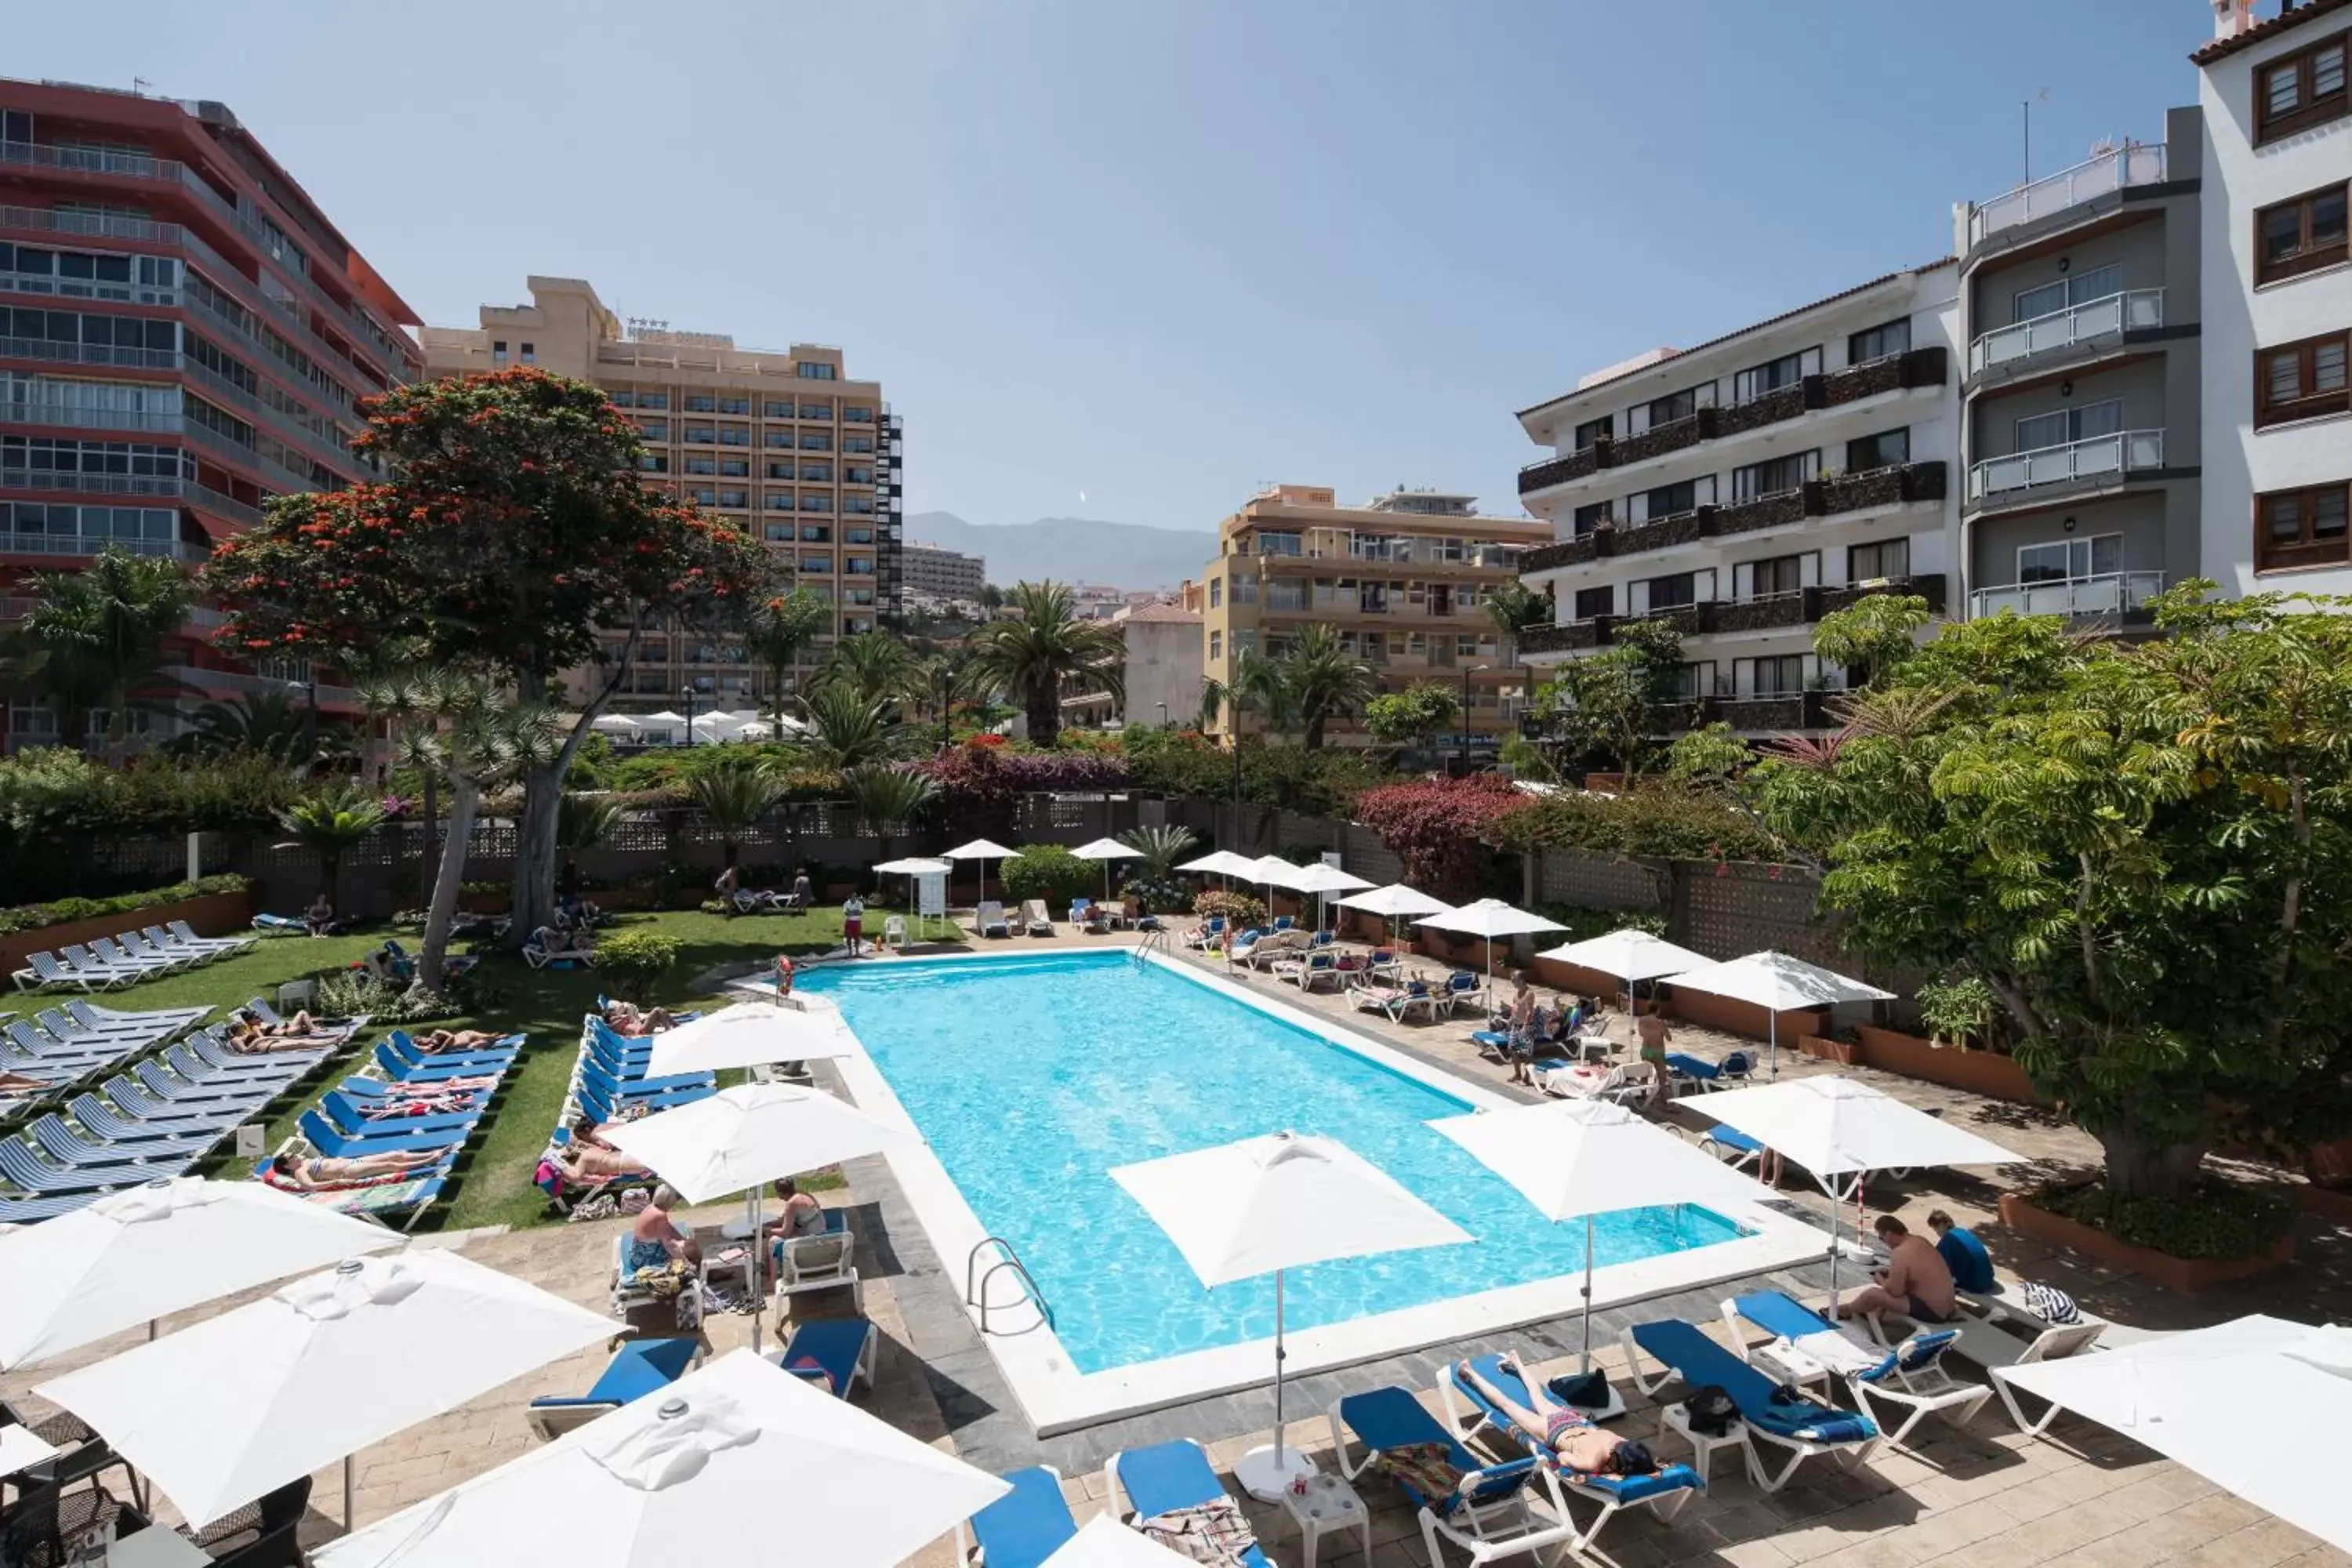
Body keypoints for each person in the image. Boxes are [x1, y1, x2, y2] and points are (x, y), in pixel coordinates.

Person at [1839, 1214, 1958, 1324]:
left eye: (1881, 1238)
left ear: (1889, 1235)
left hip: (1934, 1312)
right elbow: (1918, 1273)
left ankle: (1845, 1310)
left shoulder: (1900, 1252)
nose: (1883, 1242)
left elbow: (1895, 1292)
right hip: (1948, 1307)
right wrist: (1891, 1274)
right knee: (1893, 1285)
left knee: (1872, 1294)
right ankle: (1875, 1313)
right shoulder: (1920, 1240)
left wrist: (1880, 1280)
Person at [268, 1149, 442, 1189]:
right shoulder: (299, 1172)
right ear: (287, 1165)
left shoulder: (304, 1162)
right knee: (390, 1166)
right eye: (292, 1157)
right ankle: (429, 1160)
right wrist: (337, 1181)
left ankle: (431, 1153)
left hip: (353, 1161)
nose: (297, 1156)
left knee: (394, 1154)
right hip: (348, 1171)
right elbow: (310, 1187)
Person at [1926, 1208, 1996, 1295]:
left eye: (1936, 1229)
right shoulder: (1962, 1232)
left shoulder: (1948, 1238)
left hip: (1976, 1284)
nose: (1937, 1233)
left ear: (1942, 1224)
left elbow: (1939, 1260)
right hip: (1988, 1279)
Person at [626, 1184, 693, 1273]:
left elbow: (669, 1228)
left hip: (637, 1256)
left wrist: (682, 1239)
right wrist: (687, 1263)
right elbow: (669, 1245)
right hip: (648, 1260)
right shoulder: (660, 1215)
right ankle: (701, 1273)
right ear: (668, 1201)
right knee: (692, 1248)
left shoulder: (650, 1207)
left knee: (688, 1244)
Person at [1635, 1008, 1674, 1105]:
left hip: (1645, 1050)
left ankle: (1643, 1095)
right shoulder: (1660, 1022)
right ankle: (1665, 1101)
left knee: (1644, 1075)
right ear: (1657, 1011)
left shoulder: (1641, 1020)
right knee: (1662, 1077)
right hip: (1657, 1052)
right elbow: (1669, 1038)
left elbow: (1641, 1034)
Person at [413, 1028, 503, 1054]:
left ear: (423, 1037)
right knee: (477, 1045)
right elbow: (423, 1050)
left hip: (465, 1035)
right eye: (421, 1043)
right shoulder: (432, 1047)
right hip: (467, 1045)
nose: (423, 1043)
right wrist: (415, 1046)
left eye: (421, 1040)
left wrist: (441, 1049)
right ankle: (495, 1040)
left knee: (490, 1037)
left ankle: (497, 1037)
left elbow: (451, 1036)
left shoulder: (436, 1032)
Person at [841, 892, 865, 956]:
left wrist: (851, 912)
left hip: (857, 922)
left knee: (857, 937)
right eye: (852, 896)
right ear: (850, 897)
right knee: (849, 938)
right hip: (849, 922)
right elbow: (846, 913)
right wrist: (856, 911)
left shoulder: (860, 903)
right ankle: (850, 952)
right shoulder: (846, 904)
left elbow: (861, 913)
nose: (854, 897)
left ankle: (857, 952)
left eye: (855, 896)